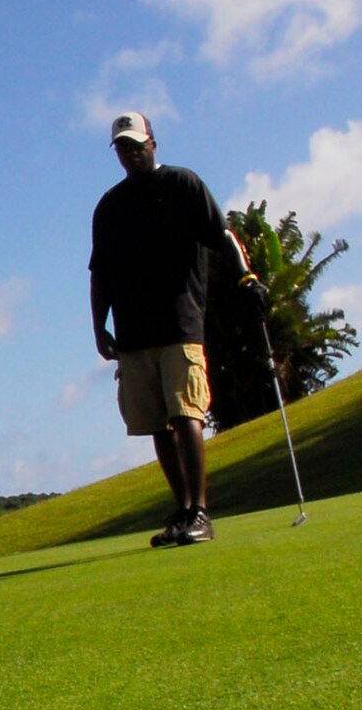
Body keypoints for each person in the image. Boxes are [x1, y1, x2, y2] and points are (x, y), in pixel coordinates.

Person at [89, 112, 263, 548]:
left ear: (153, 143)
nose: (130, 154)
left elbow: (221, 234)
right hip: (133, 331)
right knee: (154, 423)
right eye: (122, 148)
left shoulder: (183, 184)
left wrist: (246, 277)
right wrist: (99, 326)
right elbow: (100, 273)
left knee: (186, 411)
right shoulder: (109, 207)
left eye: (136, 145)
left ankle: (201, 511)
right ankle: (184, 511)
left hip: (181, 321)